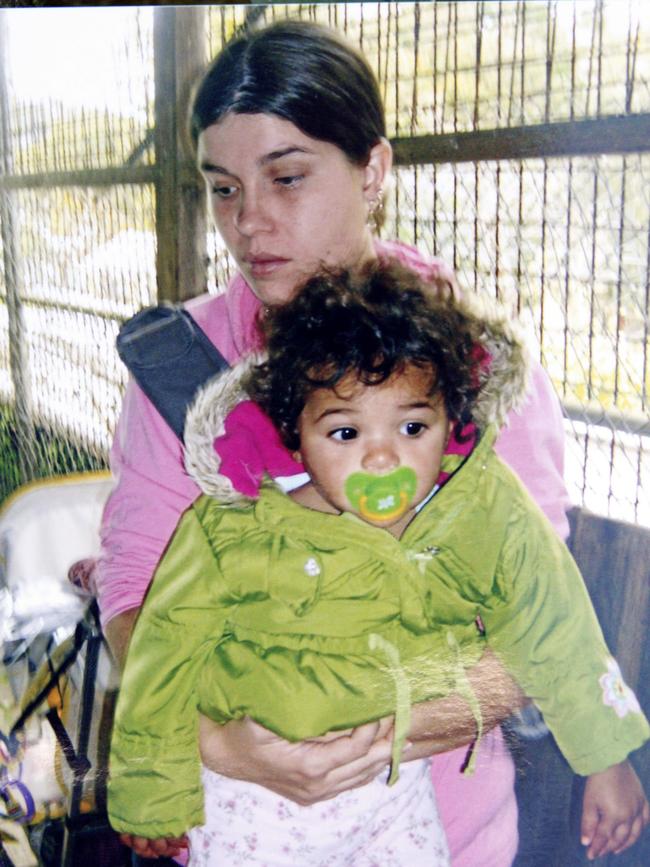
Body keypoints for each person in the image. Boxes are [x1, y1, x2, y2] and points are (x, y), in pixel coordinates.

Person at [96, 18, 586, 866]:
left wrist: (384, 725)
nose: (249, 222)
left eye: (287, 177)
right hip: (238, 829)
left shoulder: (466, 354)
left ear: (374, 171)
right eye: (222, 188)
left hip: (448, 832)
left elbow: (534, 607)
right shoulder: (181, 365)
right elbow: (134, 587)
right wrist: (223, 742)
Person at [107, 265, 649, 866]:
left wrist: (606, 757)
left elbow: (552, 617)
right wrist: (150, 786)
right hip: (254, 804)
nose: (382, 455)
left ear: (453, 419)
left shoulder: (478, 506)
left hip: (395, 794)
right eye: (344, 431)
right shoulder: (237, 526)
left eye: (413, 425)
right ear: (294, 433)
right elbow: (165, 648)